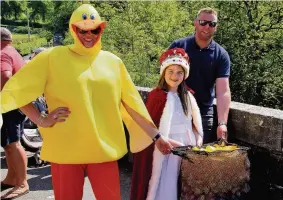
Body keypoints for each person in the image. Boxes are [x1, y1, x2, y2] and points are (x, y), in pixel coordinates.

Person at [0, 4, 172, 200]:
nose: (88, 35)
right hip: (65, 151)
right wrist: (41, 119)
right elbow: (15, 90)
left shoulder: (113, 62)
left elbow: (132, 105)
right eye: (82, 29)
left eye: (94, 29)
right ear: (73, 29)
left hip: (103, 152)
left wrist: (157, 138)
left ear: (101, 29)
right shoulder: (51, 57)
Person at [130, 48, 203, 200]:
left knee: (181, 186)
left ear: (185, 74)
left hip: (185, 148)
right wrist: (172, 144)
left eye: (179, 72)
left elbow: (194, 124)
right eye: (170, 71)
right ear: (163, 72)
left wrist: (198, 141)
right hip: (166, 149)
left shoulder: (188, 96)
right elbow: (150, 127)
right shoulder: (157, 96)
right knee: (164, 185)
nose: (174, 76)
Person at [169, 7, 231, 143]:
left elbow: (223, 92)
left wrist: (222, 124)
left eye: (212, 24)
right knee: (174, 155)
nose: (207, 27)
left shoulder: (221, 55)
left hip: (204, 112)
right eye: (203, 22)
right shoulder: (179, 46)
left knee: (200, 155)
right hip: (176, 108)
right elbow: (165, 79)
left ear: (216, 27)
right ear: (195, 23)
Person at [0, 28, 29, 199]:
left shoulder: (3, 53)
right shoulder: (13, 52)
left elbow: (5, 76)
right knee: (7, 143)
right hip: (14, 104)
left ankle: (22, 183)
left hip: (12, 105)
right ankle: (12, 178)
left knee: (14, 142)